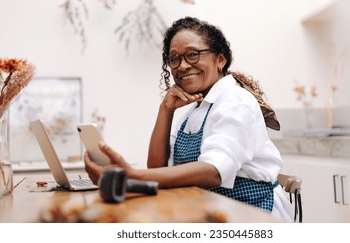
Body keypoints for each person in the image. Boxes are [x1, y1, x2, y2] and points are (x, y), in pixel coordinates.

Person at [84, 16, 293, 221]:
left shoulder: (235, 101)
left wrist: (131, 176)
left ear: (220, 59)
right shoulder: (193, 111)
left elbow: (214, 171)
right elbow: (158, 170)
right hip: (208, 208)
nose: (182, 66)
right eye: (174, 59)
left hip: (251, 213)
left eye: (192, 54)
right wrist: (165, 110)